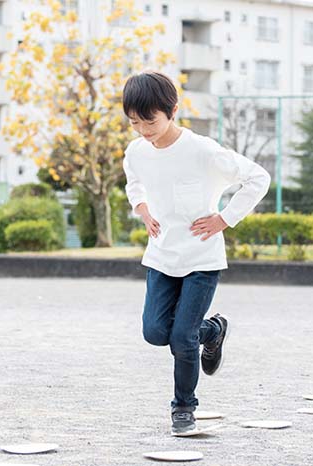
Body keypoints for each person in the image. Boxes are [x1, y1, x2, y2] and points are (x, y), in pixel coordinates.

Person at [122, 71, 271, 436]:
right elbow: (134, 181)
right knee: (156, 332)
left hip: (202, 259)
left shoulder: (202, 150)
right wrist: (142, 208)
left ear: (173, 111)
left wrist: (224, 218)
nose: (143, 130)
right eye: (134, 122)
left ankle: (184, 408)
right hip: (161, 256)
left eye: (150, 120)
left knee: (182, 339)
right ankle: (214, 329)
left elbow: (258, 178)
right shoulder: (136, 151)